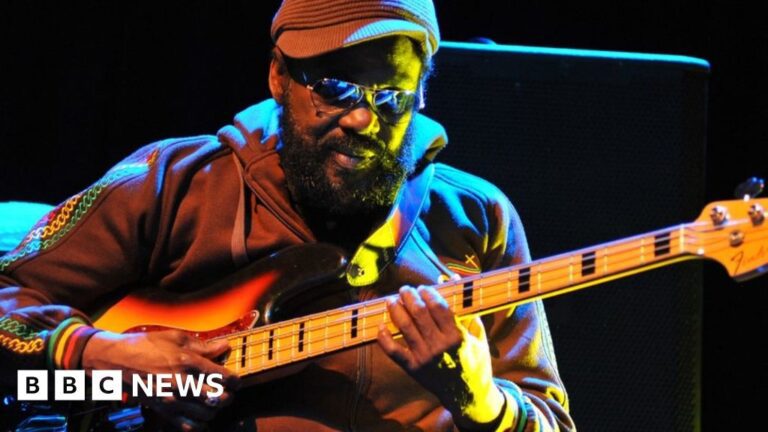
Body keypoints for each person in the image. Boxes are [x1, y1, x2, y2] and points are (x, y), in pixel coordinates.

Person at [0, 0, 574, 430]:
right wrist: (105, 358)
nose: (363, 119)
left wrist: (486, 404)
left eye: (392, 97)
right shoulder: (174, 182)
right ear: (278, 76)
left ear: (423, 92)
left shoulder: (478, 217)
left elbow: (552, 420)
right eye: (336, 88)